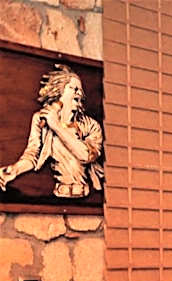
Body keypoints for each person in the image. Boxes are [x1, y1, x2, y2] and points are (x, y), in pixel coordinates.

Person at [0, 64, 104, 198]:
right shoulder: (40, 119)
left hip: (85, 195)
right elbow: (32, 154)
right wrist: (15, 170)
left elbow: (87, 155)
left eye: (80, 90)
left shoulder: (90, 125)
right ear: (59, 92)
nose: (79, 93)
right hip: (59, 195)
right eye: (73, 88)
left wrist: (56, 126)